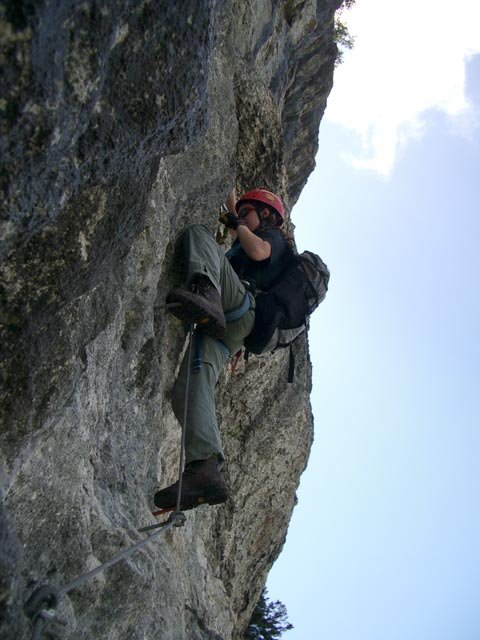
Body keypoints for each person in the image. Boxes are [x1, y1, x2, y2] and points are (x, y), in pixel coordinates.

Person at [154, 188, 288, 510]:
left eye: (247, 213)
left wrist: (236, 221)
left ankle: (207, 295)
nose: (240, 218)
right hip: (228, 331)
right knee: (189, 389)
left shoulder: (274, 238)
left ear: (266, 214)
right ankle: (204, 468)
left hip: (239, 310)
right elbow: (238, 218)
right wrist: (235, 208)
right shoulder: (245, 236)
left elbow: (259, 252)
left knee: (200, 234)